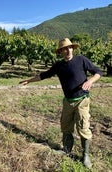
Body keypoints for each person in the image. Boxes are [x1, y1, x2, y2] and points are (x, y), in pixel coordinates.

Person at [19, 38, 102, 169]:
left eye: (70, 48)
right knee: (66, 126)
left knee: (83, 127)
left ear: (72, 49)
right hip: (68, 101)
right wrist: (29, 81)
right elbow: (44, 75)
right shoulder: (59, 66)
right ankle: (67, 150)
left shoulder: (81, 60)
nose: (68, 50)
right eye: (65, 48)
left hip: (82, 100)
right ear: (61, 51)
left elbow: (98, 72)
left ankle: (86, 155)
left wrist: (90, 81)